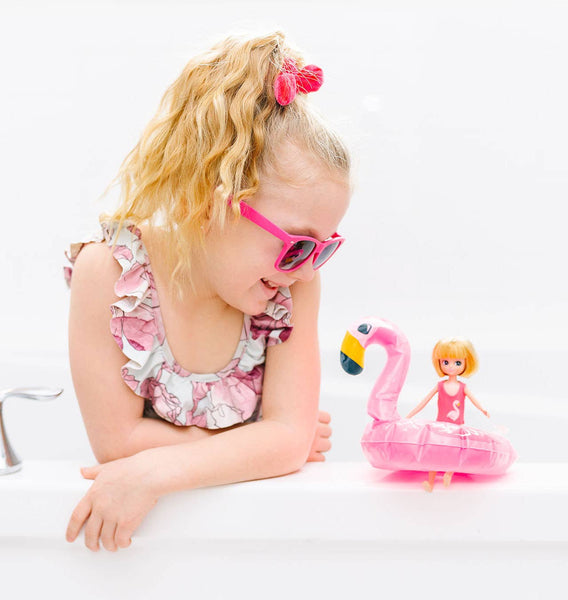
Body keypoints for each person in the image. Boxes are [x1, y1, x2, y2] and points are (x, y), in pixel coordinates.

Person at [62, 31, 352, 552]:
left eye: (323, 250)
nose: (307, 272)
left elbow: (286, 443)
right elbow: (116, 443)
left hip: (253, 544)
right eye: (295, 247)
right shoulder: (108, 275)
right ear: (213, 203)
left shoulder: (290, 294)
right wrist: (257, 440)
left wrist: (155, 470)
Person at [405, 337, 489, 492]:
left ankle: (449, 473)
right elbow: (424, 402)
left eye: (457, 363)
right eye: (446, 362)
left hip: (456, 427)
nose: (451, 367)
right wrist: (410, 414)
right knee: (434, 454)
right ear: (440, 363)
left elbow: (474, 400)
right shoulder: (440, 386)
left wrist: (483, 410)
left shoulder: (462, 387)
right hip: (440, 426)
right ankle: (430, 482)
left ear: (465, 363)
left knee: (454, 453)